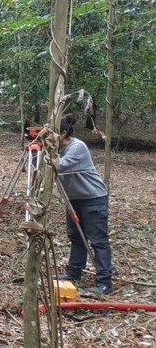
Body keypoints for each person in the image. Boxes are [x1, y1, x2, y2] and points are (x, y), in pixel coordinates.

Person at [55, 113, 113, 294]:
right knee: (76, 237)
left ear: (63, 133)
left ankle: (104, 282)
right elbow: (37, 167)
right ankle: (73, 272)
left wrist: (45, 152)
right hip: (73, 199)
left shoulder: (77, 147)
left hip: (93, 198)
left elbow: (59, 166)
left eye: (51, 134)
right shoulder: (56, 148)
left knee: (98, 240)